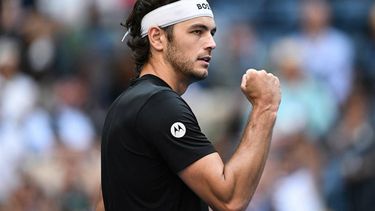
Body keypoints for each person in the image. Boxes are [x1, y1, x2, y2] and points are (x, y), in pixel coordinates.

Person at [100, 0, 281, 210]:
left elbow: (104, 203)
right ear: (157, 38)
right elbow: (230, 199)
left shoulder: (124, 105)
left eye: (211, 33)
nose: (211, 43)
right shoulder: (158, 104)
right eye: (197, 31)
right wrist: (265, 106)